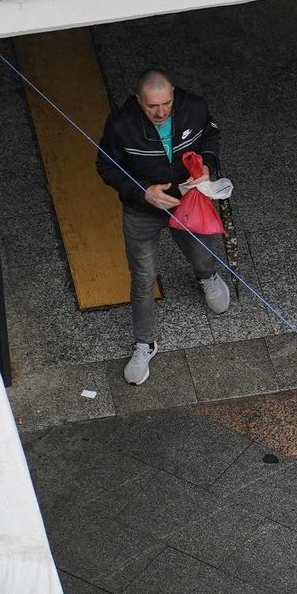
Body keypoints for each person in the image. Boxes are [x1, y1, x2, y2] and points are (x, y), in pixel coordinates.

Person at [96, 68, 231, 385]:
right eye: (152, 106)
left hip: (187, 200)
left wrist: (208, 167)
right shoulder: (121, 123)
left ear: (174, 95)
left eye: (166, 104)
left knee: (201, 250)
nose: (161, 112)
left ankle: (207, 276)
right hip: (142, 209)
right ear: (138, 100)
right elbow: (106, 166)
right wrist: (142, 192)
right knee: (142, 278)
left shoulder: (194, 107)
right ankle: (145, 343)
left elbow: (212, 135)